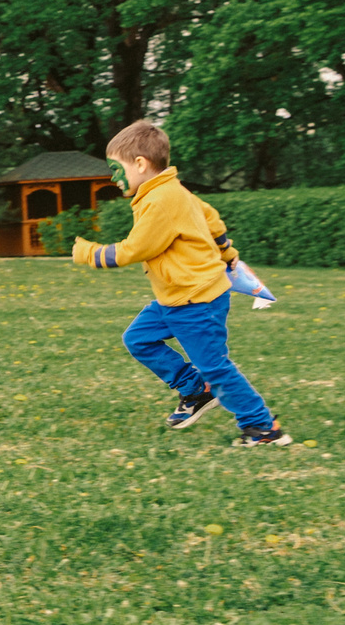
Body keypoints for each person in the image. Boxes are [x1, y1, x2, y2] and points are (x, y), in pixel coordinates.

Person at [71, 119, 291, 446]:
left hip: (196, 300)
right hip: (176, 297)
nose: (113, 178)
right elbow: (211, 218)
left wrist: (89, 252)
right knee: (139, 339)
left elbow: (137, 248)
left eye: (117, 169)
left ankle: (262, 428)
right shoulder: (171, 191)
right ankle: (195, 389)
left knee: (215, 368)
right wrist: (226, 251)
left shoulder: (161, 200)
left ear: (141, 164)